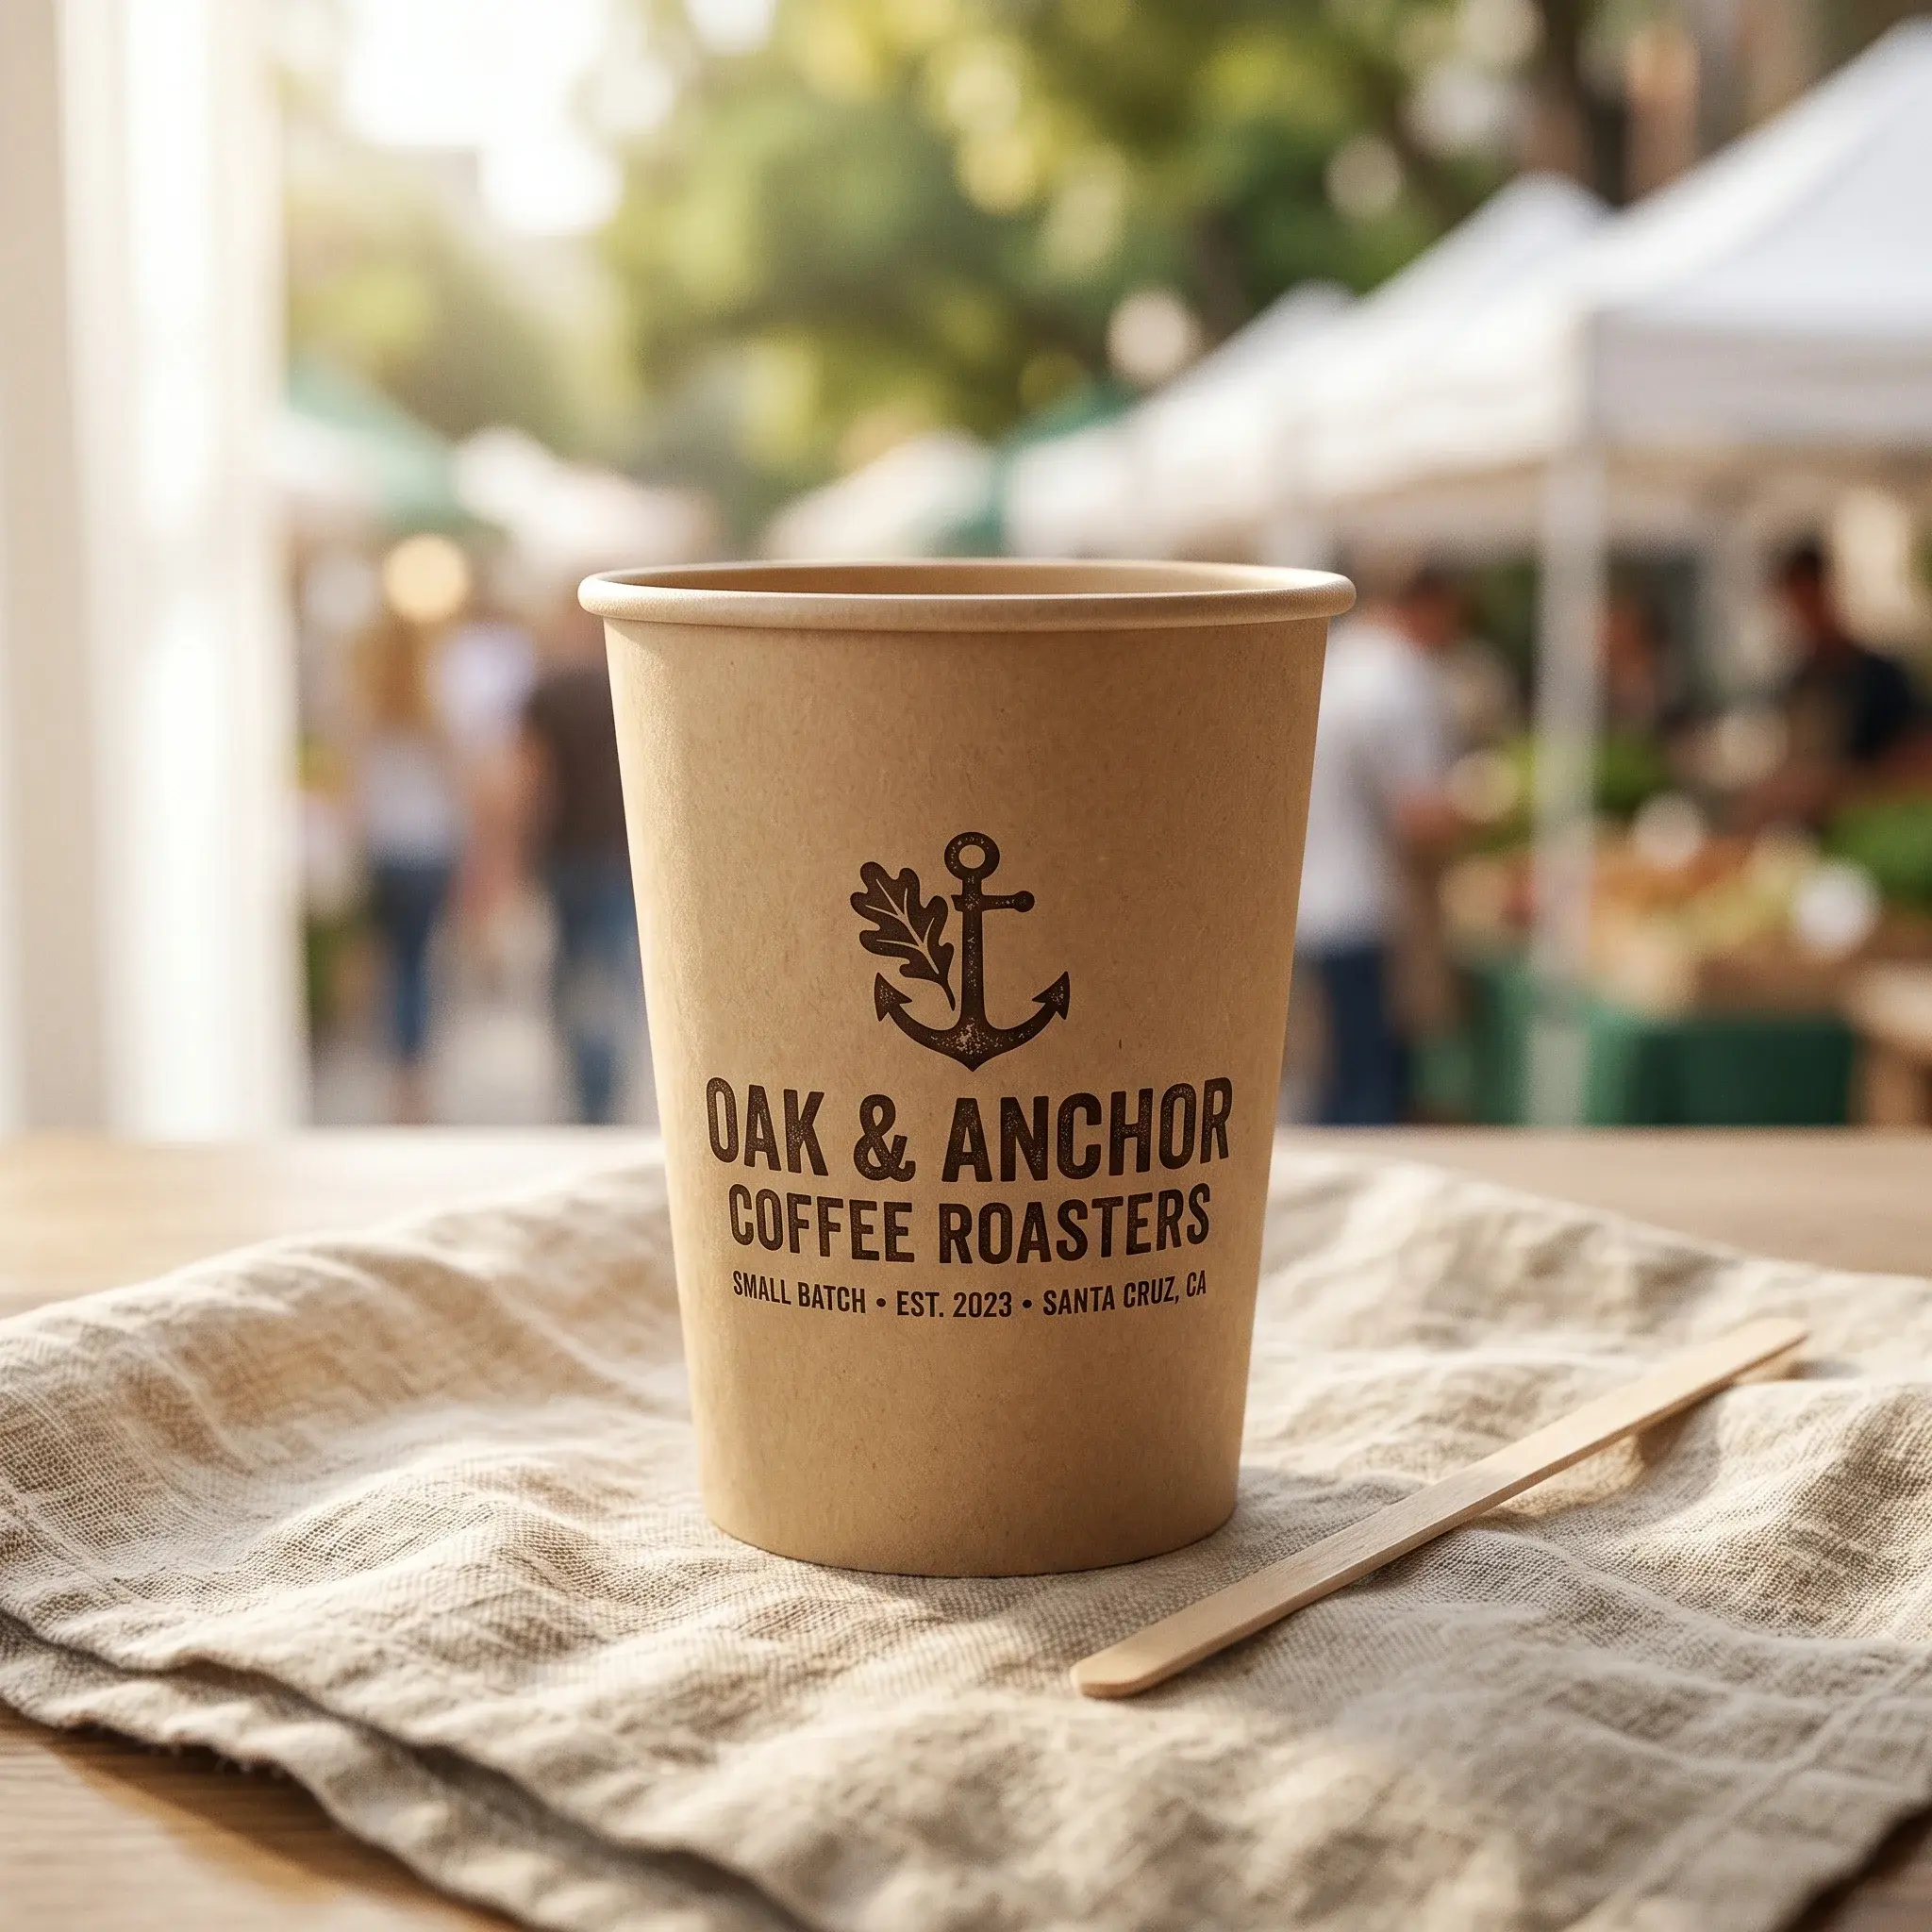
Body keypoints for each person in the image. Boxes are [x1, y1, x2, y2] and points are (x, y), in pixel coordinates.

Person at [1295, 568, 1460, 1125]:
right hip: (1363, 905)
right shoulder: (1397, 679)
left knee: (1336, 1077)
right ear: (1431, 604)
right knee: (1368, 1089)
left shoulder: (1343, 658)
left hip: (1313, 896)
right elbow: (1421, 815)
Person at [517, 603, 641, 1124]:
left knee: (572, 969)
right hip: (616, 851)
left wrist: (521, 850)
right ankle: (603, 1087)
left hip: (566, 851)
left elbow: (531, 781)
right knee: (613, 971)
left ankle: (584, 1085)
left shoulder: (547, 693)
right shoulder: (626, 685)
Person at [356, 616, 463, 1123]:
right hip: (428, 848)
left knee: (395, 964)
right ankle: (414, 1075)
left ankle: (400, 1073)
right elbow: (455, 783)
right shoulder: (433, 711)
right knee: (417, 964)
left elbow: (353, 792)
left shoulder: (366, 711)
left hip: (386, 850)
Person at [1743, 541, 1921, 825]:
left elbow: (1916, 760)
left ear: (1828, 592)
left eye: (1808, 601)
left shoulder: (1882, 676)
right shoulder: (1799, 681)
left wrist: (1842, 784)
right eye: (1794, 606)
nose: (1802, 617)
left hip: (1873, 825)